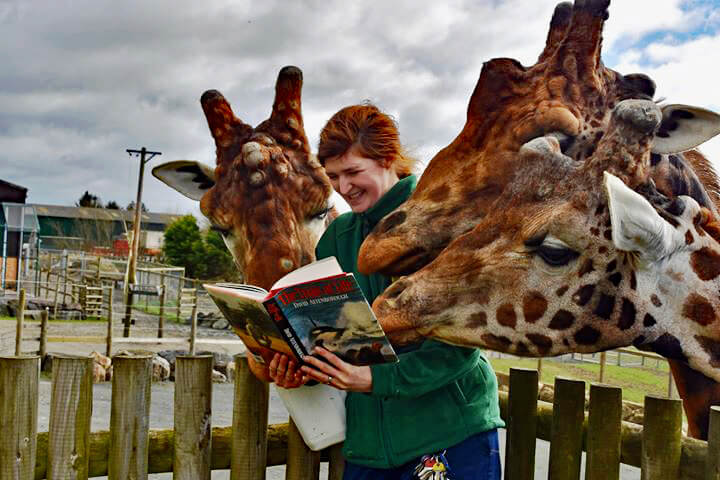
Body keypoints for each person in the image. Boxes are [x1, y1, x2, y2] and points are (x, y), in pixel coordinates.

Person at [263, 104, 504, 480]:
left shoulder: (444, 223)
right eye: (334, 177)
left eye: (354, 172)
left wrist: (374, 380)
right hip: (369, 447)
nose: (343, 188)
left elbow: (461, 348)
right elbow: (335, 340)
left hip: (449, 433)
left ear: (389, 159)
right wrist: (301, 367)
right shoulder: (336, 239)